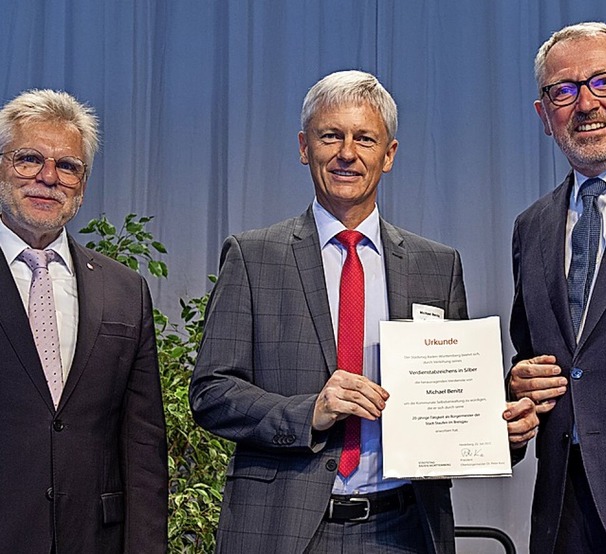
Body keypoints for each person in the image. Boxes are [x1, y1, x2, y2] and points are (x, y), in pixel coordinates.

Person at [191, 70, 537, 554]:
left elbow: (452, 406)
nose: (347, 153)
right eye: (330, 135)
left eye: (365, 138)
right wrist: (309, 411)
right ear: (303, 146)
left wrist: (503, 432)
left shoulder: (437, 265)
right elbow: (211, 393)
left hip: (404, 529)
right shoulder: (253, 256)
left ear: (389, 154)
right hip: (283, 531)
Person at [0, 89, 168, 553]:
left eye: (68, 166)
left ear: (84, 181)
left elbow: (143, 447)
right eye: (28, 159)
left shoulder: (125, 290)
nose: (47, 178)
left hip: (95, 540)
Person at [508, 21, 606, 553]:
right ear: (544, 116)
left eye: (604, 82)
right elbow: (533, 356)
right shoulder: (532, 227)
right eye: (563, 90)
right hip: (564, 510)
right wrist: (516, 387)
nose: (585, 103)